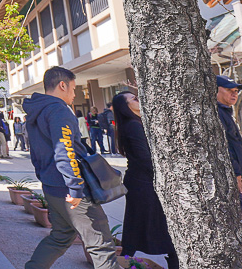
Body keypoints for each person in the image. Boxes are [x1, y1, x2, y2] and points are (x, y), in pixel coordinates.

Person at [23, 66, 120, 269]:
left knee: (60, 237)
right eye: (74, 89)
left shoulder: (36, 111)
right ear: (62, 85)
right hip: (71, 190)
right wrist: (75, 189)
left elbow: (37, 153)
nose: (75, 94)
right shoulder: (58, 110)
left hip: (52, 186)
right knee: (101, 244)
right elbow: (65, 151)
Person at [112, 91, 178, 269]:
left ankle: (123, 261)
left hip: (141, 183)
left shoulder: (135, 123)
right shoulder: (133, 125)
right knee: (163, 229)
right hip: (145, 185)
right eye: (134, 99)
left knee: (136, 228)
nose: (138, 100)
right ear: (125, 107)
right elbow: (145, 158)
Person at [215, 74, 242, 197]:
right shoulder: (217, 113)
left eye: (236, 91)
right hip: (232, 176)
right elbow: (224, 146)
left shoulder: (226, 112)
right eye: (228, 90)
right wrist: (236, 173)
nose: (234, 94)